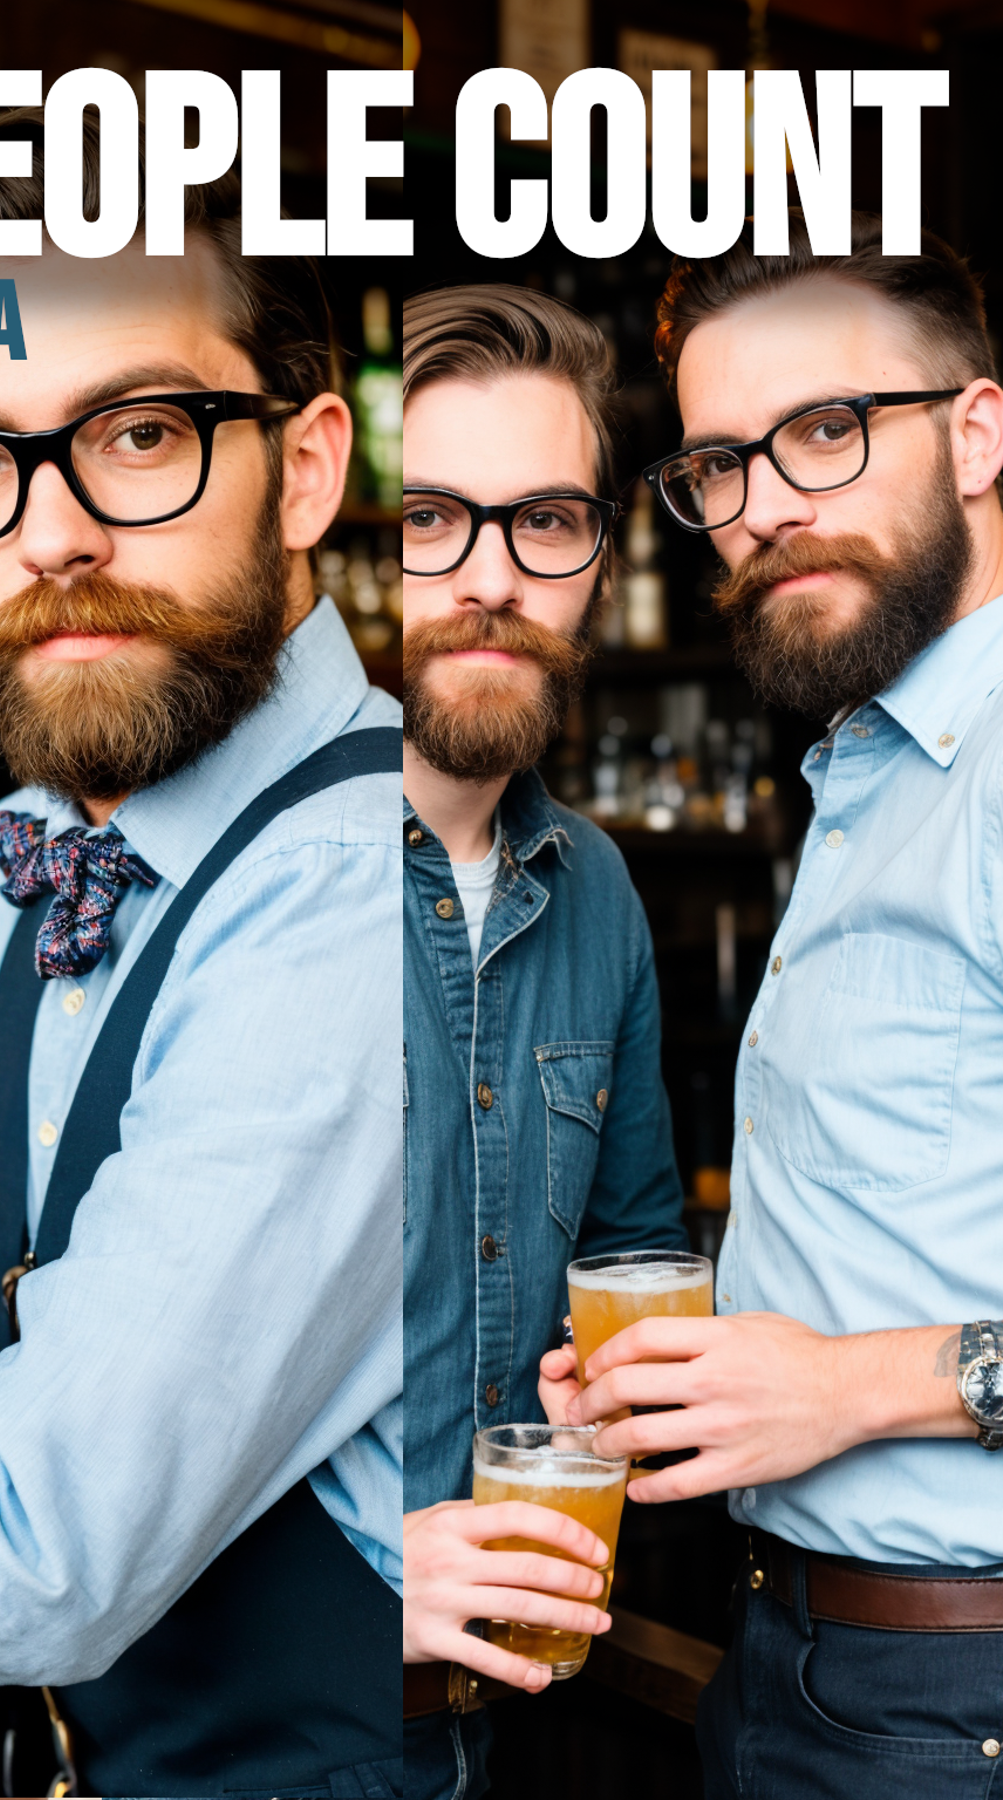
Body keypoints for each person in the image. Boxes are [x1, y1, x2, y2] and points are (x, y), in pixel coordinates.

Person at [0, 111, 402, 1800]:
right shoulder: (22, 868)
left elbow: (36, 1539)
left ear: (303, 467)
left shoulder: (368, 891)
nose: (46, 532)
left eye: (137, 432)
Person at [554, 212, 1003, 1798]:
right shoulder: (872, 764)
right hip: (806, 1664)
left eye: (824, 431)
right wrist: (714, 1373)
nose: (761, 510)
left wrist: (842, 1388)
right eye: (717, 466)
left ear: (977, 431)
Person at [401, 284, 686, 1800]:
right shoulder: (226, 878)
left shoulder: (600, 893)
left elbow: (635, 1260)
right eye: (430, 520)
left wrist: (616, 1403)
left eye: (546, 524)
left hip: (524, 1721)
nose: (489, 580)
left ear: (601, 558)